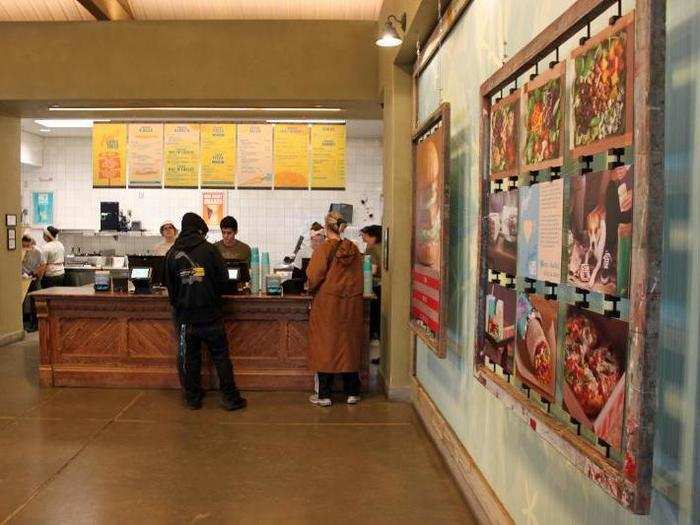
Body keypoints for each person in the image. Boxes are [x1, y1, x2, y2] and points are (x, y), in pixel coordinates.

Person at [163, 212, 247, 411]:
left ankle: (193, 398)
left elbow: (170, 287)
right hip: (211, 315)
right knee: (220, 357)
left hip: (186, 318)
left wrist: (181, 304)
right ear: (200, 231)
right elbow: (225, 281)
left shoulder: (172, 253)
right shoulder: (210, 250)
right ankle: (229, 398)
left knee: (190, 358)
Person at [306, 211, 364, 406]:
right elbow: (359, 277)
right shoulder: (354, 249)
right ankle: (353, 392)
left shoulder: (323, 250)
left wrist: (310, 287)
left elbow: (313, 278)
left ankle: (324, 395)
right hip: (351, 304)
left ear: (326, 226)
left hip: (328, 304)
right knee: (349, 344)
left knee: (326, 345)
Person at [360, 225, 383, 342]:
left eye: (365, 236)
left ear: (373, 236)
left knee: (373, 315)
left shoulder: (372, 249)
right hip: (385, 286)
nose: (364, 239)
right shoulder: (383, 247)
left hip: (376, 286)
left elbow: (372, 270)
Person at [21, 235, 45, 332]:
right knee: (23, 301)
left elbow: (42, 265)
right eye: (23, 246)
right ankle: (25, 322)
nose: (25, 248)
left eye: (27, 246)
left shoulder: (37, 252)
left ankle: (35, 324)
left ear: (31, 243)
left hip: (34, 279)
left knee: (34, 302)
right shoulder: (21, 251)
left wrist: (36, 275)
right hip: (23, 278)